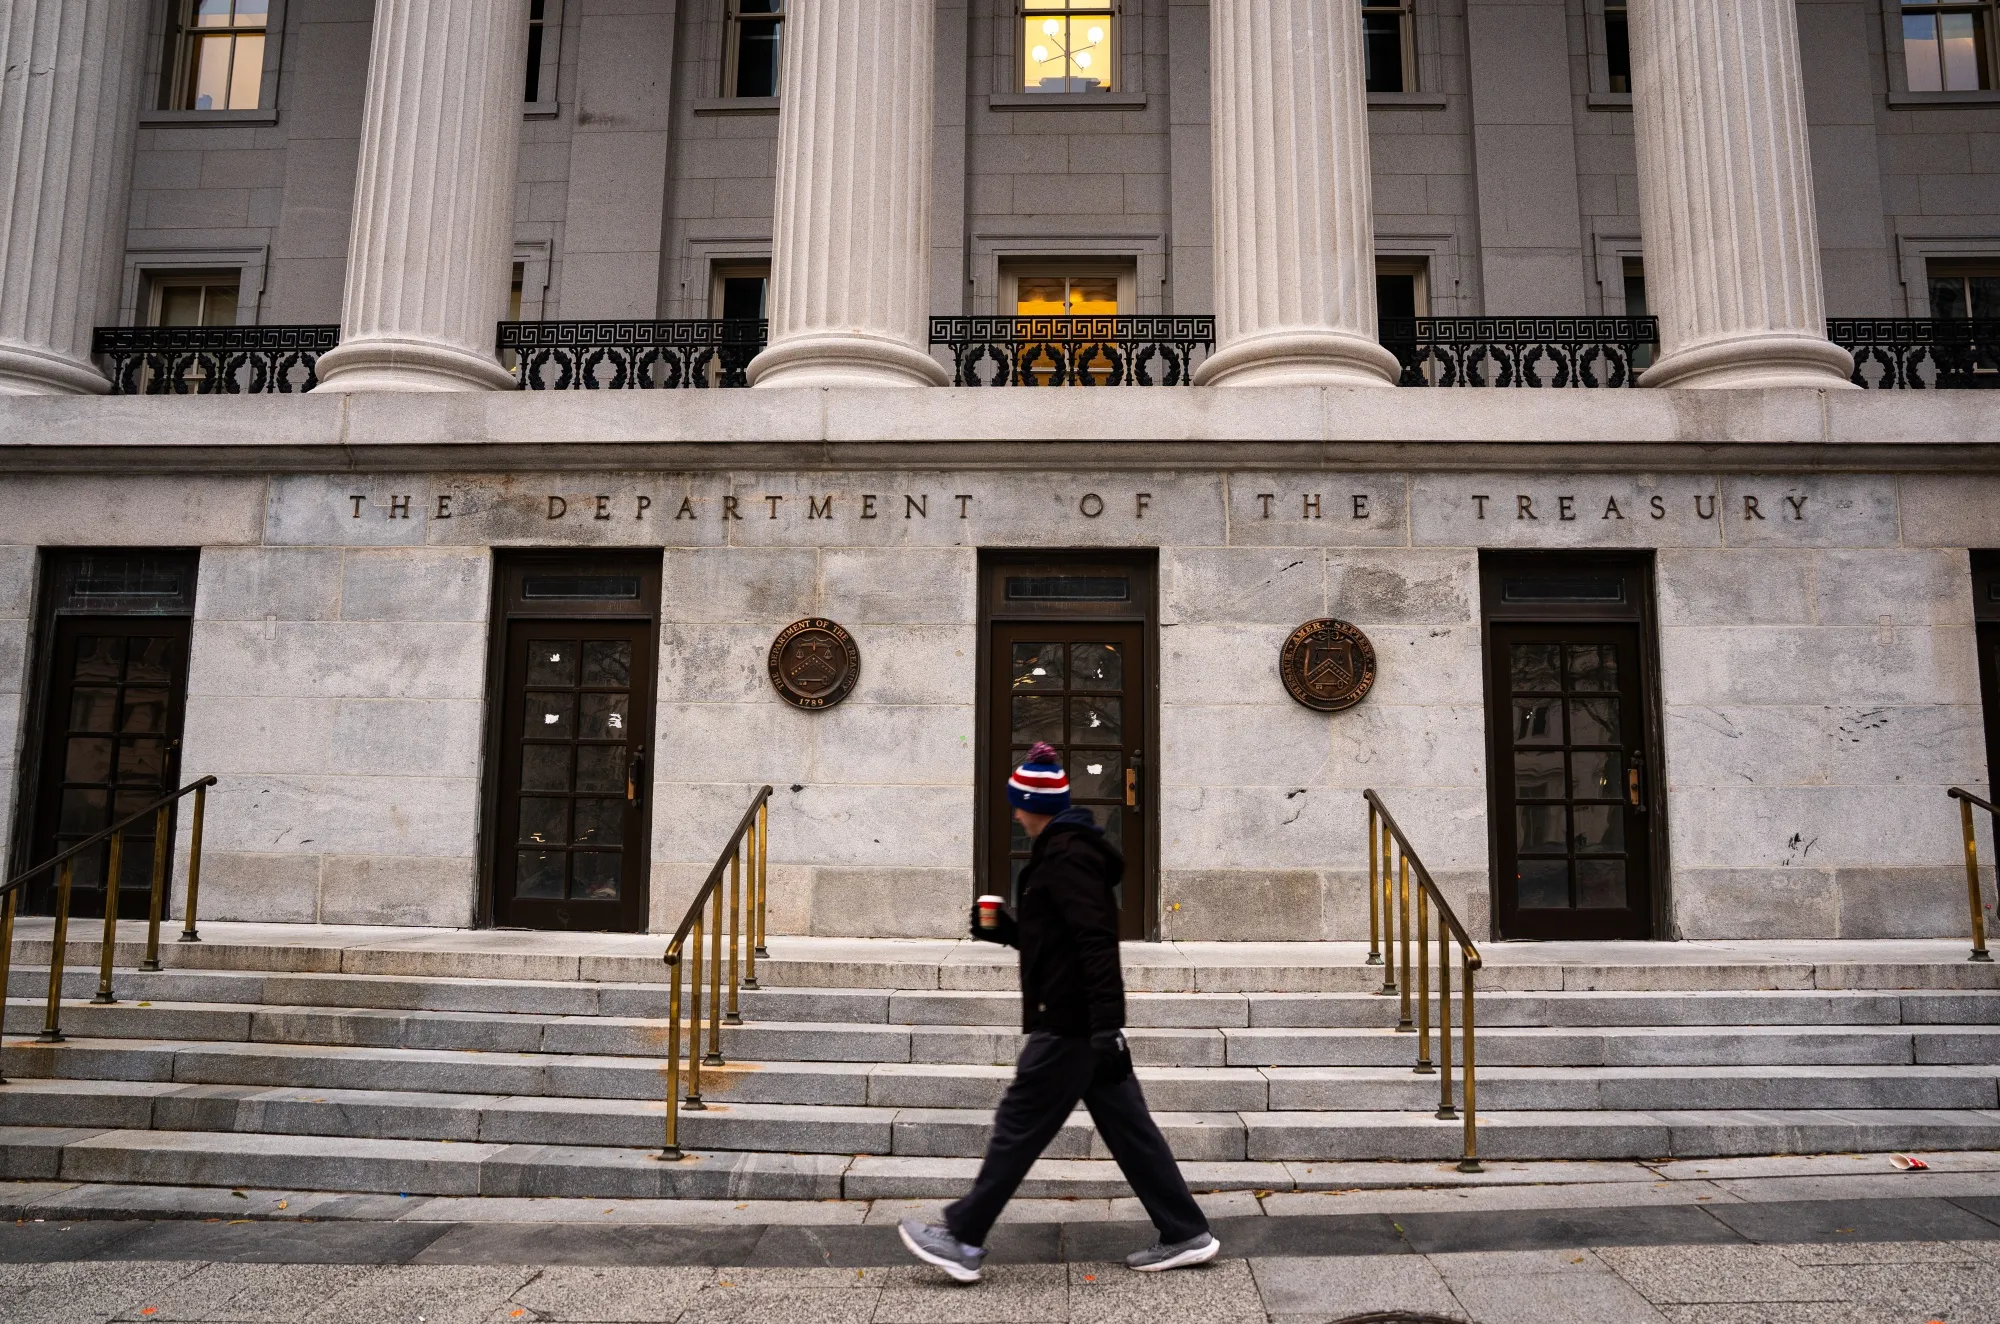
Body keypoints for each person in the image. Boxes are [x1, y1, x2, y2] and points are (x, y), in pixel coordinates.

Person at [899, 742, 1219, 1283]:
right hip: (1083, 1027)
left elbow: (1096, 941)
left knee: (1017, 1126)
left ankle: (962, 1238)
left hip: (1071, 1027)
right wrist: (1006, 932)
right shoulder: (1065, 852)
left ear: (1032, 803)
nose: (1016, 814)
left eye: (1018, 805)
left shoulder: (1067, 856)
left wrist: (1106, 1027)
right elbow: (1060, 941)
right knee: (1131, 1131)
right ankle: (1186, 1231)